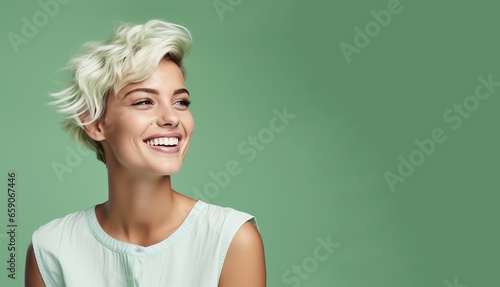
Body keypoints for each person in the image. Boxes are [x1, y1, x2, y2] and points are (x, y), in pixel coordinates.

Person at [24, 19, 266, 287]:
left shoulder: (232, 239)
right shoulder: (50, 249)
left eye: (181, 102)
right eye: (144, 101)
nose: (171, 117)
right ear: (95, 124)